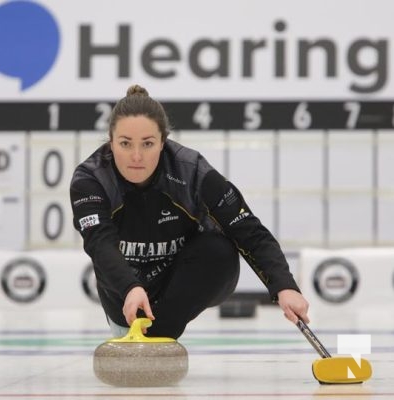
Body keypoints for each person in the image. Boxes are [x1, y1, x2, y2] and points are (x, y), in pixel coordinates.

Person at [70, 84, 310, 339]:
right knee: (120, 284)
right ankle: (141, 329)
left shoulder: (192, 172)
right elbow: (100, 243)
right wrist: (130, 287)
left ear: (163, 142)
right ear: (111, 141)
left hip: (182, 280)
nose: (136, 156)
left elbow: (247, 229)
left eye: (148, 143)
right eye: (126, 143)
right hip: (123, 286)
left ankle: (160, 333)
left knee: (219, 250)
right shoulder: (90, 179)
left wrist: (285, 286)